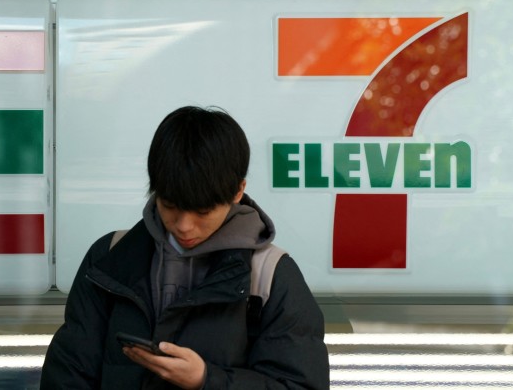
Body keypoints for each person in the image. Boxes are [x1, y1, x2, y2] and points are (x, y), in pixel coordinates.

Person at [40, 106, 330, 389]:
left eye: (202, 212)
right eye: (170, 206)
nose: (183, 226)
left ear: (238, 192)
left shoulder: (270, 275)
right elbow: (68, 373)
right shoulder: (110, 256)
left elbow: (301, 383)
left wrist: (207, 380)